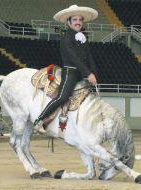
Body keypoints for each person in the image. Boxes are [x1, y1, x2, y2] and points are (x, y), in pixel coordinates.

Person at [34, 5, 99, 133]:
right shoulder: (66, 38)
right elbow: (74, 59)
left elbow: (90, 58)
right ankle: (39, 120)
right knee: (62, 97)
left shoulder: (83, 38)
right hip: (70, 72)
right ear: (69, 22)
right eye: (75, 20)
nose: (78, 22)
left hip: (82, 73)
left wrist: (94, 74)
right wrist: (88, 73)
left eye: (80, 20)